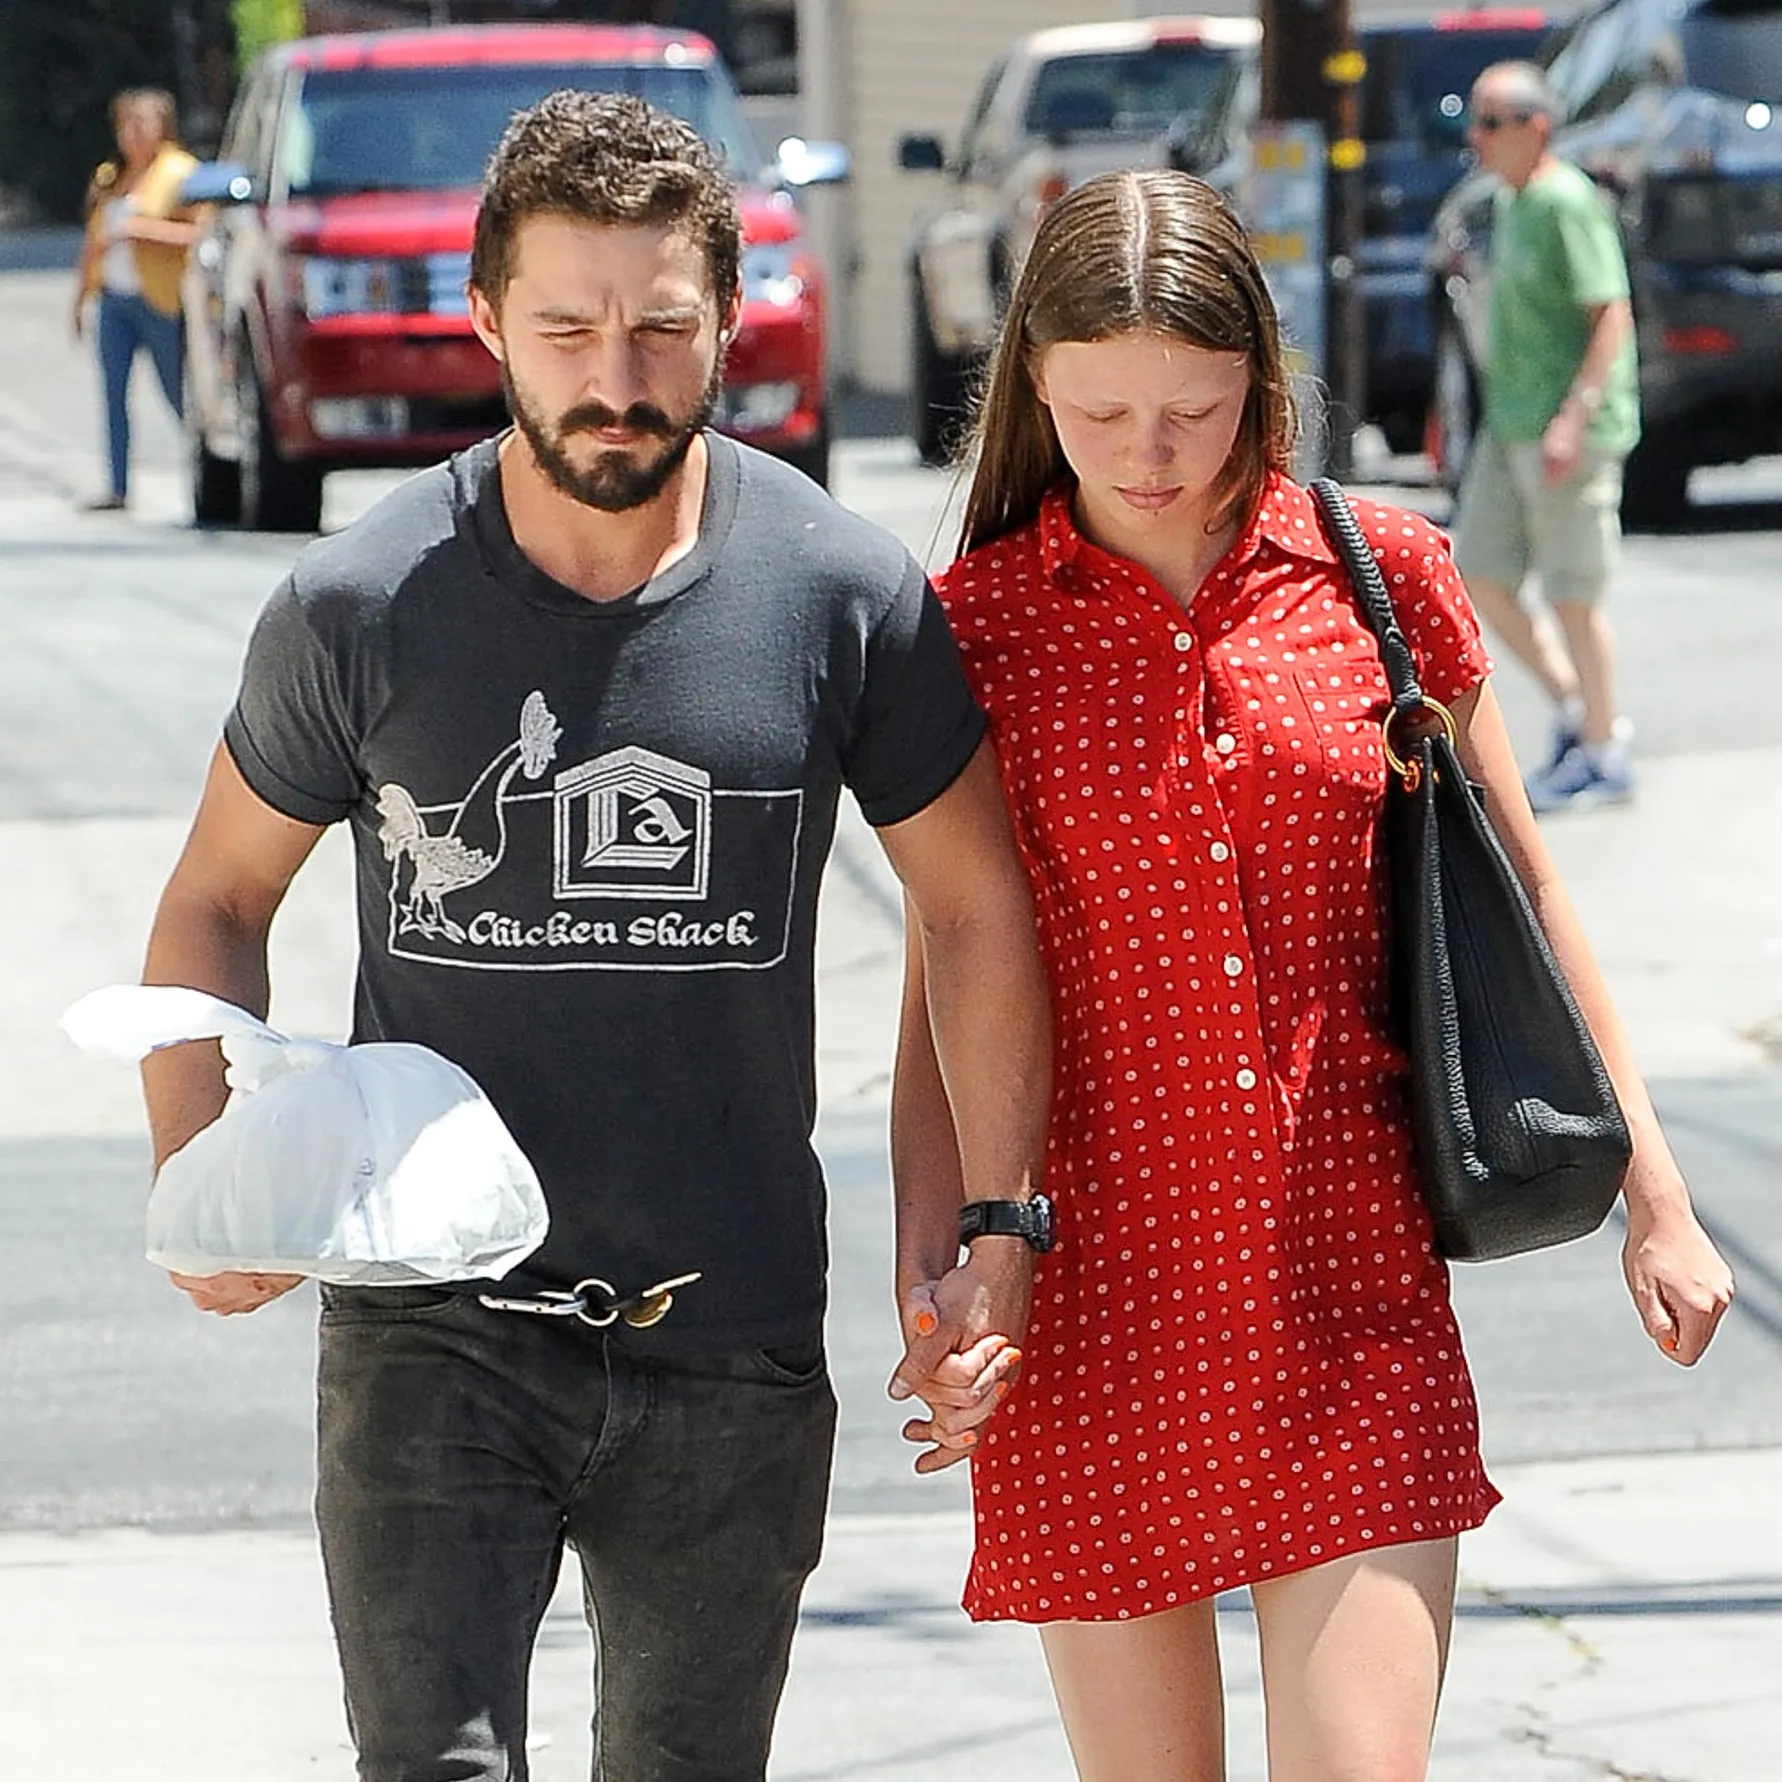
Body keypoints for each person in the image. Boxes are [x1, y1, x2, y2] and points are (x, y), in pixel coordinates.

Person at [138, 92, 1045, 1782]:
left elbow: (979, 908)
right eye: (565, 327)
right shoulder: (361, 603)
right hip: (431, 1334)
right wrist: (203, 1170)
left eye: (659, 327)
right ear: (485, 320)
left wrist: (989, 1227)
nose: (613, 378)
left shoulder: (841, 594)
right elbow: (217, 890)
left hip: (733, 1335)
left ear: (728, 321)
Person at [890, 167, 1733, 1782]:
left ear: (1259, 384)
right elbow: (949, 970)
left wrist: (1656, 1192)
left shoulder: (1384, 577)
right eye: (1100, 411)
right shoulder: (970, 632)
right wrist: (937, 1264)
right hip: (1092, 1302)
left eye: (1194, 411)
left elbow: (1525, 888)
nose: (1149, 454)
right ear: (1033, 390)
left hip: (1349, 1285)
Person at [1448, 61, 1640, 814]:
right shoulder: (1510, 201)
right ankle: (1574, 706)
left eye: (1493, 122)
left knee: (1573, 594)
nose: (1479, 137)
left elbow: (1610, 315)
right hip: (1511, 420)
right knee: (1482, 575)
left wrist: (1574, 418)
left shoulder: (1568, 203)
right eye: (1477, 121)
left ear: (1537, 128)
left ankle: (1604, 747)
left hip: (1569, 427)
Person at [70, 87, 198, 512]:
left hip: (160, 300)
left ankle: (207, 468)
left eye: (142, 123)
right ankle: (118, 485)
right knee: (113, 394)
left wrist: (143, 231)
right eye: (127, 124)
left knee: (177, 392)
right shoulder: (111, 176)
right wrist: (80, 297)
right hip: (115, 299)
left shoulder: (181, 173)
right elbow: (94, 240)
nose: (133, 133)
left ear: (163, 126)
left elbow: (201, 234)